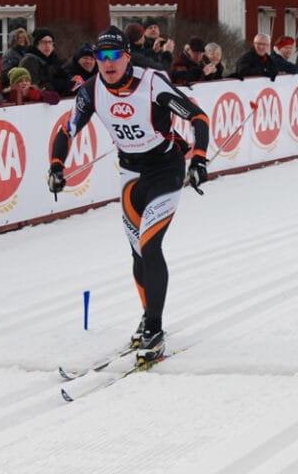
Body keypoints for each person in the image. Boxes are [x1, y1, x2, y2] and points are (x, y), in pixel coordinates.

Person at [47, 26, 210, 364]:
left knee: (151, 246)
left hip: (166, 169)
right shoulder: (92, 90)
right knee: (138, 253)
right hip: (131, 174)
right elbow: (68, 128)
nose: (106, 63)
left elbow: (197, 116)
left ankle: (154, 328)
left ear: (126, 57)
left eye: (113, 56)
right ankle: (146, 315)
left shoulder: (151, 83)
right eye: (99, 57)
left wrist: (199, 157)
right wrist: (56, 165)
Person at [19, 27, 69, 96]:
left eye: (50, 42)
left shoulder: (54, 60)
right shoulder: (30, 60)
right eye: (44, 42)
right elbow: (33, 87)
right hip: (35, 103)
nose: (47, 45)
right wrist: (55, 86)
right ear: (36, 44)